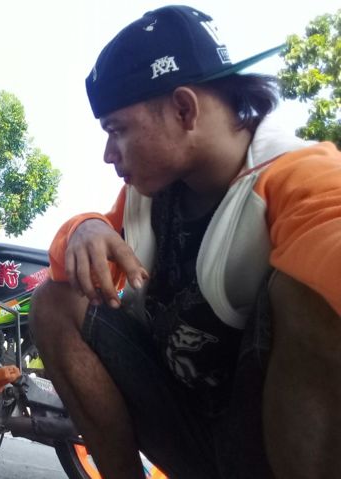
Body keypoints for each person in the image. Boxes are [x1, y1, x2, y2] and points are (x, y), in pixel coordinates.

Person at [29, 5, 341, 479]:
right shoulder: (150, 194)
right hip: (189, 434)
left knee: (309, 293)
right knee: (55, 300)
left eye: (117, 130)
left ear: (183, 109)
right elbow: (70, 267)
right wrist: (85, 227)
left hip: (267, 444)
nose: (109, 154)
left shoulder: (305, 176)